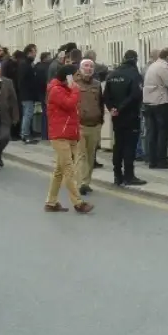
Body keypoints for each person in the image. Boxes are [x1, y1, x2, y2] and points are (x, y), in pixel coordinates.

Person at [44, 64, 94, 214]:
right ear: (68, 77)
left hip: (69, 134)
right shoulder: (56, 90)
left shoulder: (66, 89)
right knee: (69, 170)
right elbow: (69, 104)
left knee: (59, 171)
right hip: (60, 136)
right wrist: (75, 90)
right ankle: (78, 203)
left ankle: (51, 202)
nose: (78, 78)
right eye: (75, 75)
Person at [103, 50, 145, 186]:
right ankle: (129, 175)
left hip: (116, 116)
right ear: (135, 59)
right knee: (130, 146)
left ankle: (117, 175)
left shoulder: (112, 74)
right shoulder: (135, 75)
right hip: (131, 115)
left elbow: (105, 96)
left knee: (118, 145)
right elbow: (135, 96)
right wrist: (121, 108)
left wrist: (112, 109)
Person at [74, 59, 105, 196]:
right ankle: (80, 183)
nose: (89, 68)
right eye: (86, 66)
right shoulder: (73, 83)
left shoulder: (97, 85)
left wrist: (101, 119)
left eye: (91, 66)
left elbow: (100, 102)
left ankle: (87, 182)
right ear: (80, 68)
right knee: (81, 155)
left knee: (91, 155)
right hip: (79, 124)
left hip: (94, 124)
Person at [142, 47, 168, 169]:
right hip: (160, 102)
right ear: (167, 57)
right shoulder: (163, 67)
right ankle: (162, 160)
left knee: (152, 132)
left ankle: (152, 159)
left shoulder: (152, 66)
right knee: (162, 132)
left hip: (149, 102)